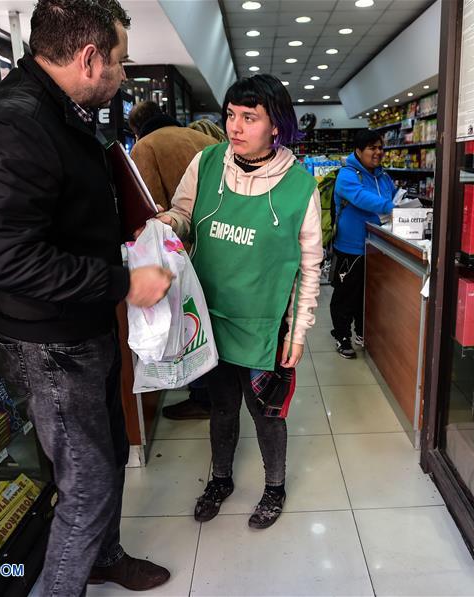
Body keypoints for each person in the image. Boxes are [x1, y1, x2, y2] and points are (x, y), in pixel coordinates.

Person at [0, 1, 173, 594]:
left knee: (108, 452)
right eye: (121, 62)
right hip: (50, 343)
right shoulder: (16, 123)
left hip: (83, 328)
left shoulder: (63, 112)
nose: (125, 75)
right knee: (88, 482)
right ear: (88, 58)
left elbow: (63, 216)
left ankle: (104, 557)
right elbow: (5, 258)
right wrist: (124, 282)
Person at [156, 74, 322, 529]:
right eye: (231, 115)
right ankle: (222, 478)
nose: (234, 126)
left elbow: (310, 266)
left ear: (275, 126)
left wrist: (300, 330)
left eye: (249, 117)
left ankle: (275, 486)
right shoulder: (207, 163)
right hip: (211, 315)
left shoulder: (299, 187)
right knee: (221, 404)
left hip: (266, 323)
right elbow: (185, 215)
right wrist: (165, 224)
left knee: (265, 410)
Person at [126, 100, 218, 420]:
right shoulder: (204, 140)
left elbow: (153, 209)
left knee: (189, 321)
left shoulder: (145, 147)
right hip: (218, 245)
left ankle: (203, 395)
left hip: (183, 250)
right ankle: (219, 389)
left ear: (135, 128)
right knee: (209, 322)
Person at [329, 129, 395, 359]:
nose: (378, 152)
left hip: (377, 247)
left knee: (367, 294)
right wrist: (391, 207)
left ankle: (361, 331)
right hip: (350, 247)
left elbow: (393, 197)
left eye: (380, 148)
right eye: (372, 148)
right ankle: (341, 335)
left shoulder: (383, 177)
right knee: (345, 295)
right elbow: (361, 198)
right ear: (358, 150)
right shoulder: (348, 175)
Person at [128, 101, 219, 211]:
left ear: (136, 129)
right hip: (217, 222)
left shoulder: (143, 148)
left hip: (178, 225)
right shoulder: (207, 140)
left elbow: (153, 207)